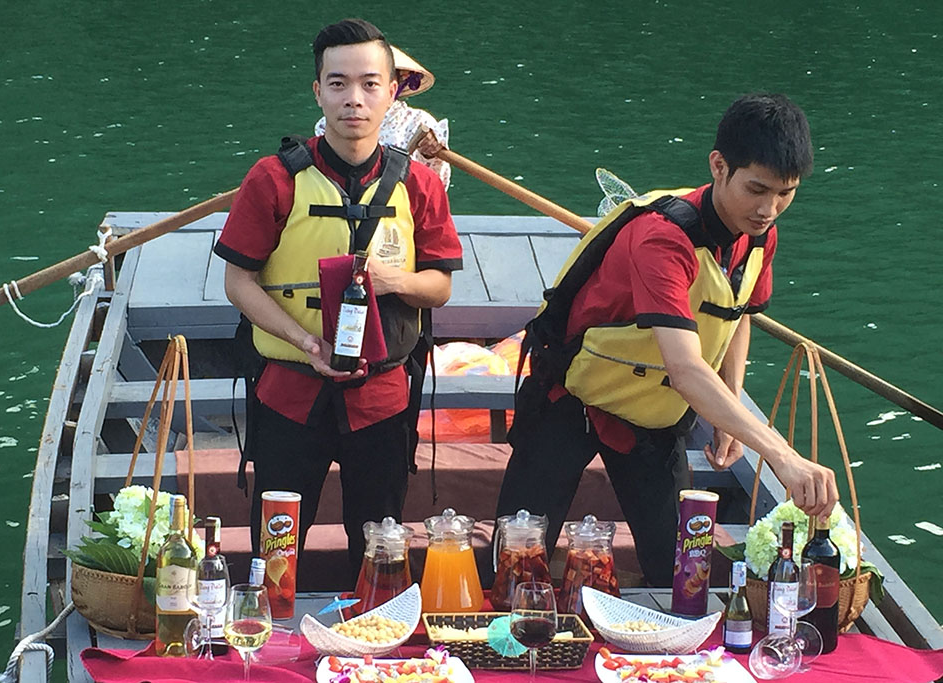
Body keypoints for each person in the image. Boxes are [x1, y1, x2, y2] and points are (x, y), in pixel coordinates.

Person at [494, 93, 839, 587]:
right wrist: (782, 456)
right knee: (516, 559)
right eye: (756, 189)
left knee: (683, 572)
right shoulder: (663, 238)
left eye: (786, 193)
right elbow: (686, 369)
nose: (769, 209)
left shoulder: (760, 235)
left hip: (653, 414)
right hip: (571, 395)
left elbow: (737, 312)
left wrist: (730, 405)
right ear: (718, 166)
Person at [213, 18, 463, 579]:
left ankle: (377, 627)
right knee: (276, 548)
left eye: (370, 84)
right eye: (338, 83)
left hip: (382, 398)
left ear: (392, 92)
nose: (354, 99)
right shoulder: (273, 179)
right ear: (318, 92)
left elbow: (440, 286)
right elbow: (238, 282)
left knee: (379, 547)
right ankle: (270, 622)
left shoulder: (419, 184)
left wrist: (393, 281)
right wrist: (305, 341)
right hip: (288, 392)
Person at [315, 45, 451, 190]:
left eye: (370, 83)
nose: (355, 98)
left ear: (394, 85)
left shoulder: (419, 121)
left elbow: (437, 185)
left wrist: (430, 154)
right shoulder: (329, 122)